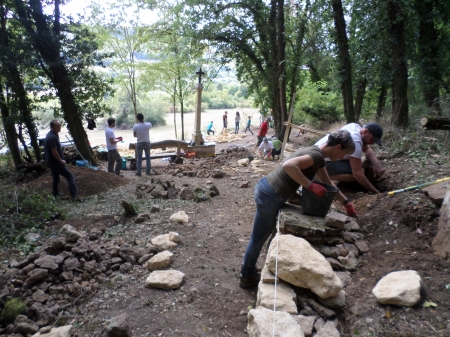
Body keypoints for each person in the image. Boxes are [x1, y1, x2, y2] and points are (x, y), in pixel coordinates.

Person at [239, 130, 357, 288]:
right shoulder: (315, 156)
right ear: (337, 147)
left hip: (268, 190)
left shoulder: (318, 156)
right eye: (344, 153)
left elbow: (328, 183)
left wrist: (347, 203)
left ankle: (252, 271)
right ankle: (246, 277)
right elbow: (289, 165)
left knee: (264, 235)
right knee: (258, 238)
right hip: (270, 194)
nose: (342, 158)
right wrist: (310, 185)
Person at [315, 122, 384, 194]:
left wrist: (377, 164)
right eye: (372, 139)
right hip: (321, 162)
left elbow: (366, 149)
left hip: (321, 157)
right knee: (358, 172)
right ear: (365, 131)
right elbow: (357, 174)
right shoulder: (356, 139)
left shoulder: (355, 127)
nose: (372, 143)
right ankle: (321, 176)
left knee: (362, 163)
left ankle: (368, 183)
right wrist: (376, 192)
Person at [44, 120, 81, 201]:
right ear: (52, 127)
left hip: (51, 161)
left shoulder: (52, 134)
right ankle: (75, 197)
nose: (59, 127)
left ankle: (55, 196)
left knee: (56, 178)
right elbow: (54, 152)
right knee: (70, 176)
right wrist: (61, 160)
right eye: (57, 126)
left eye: (60, 126)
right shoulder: (52, 137)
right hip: (55, 161)